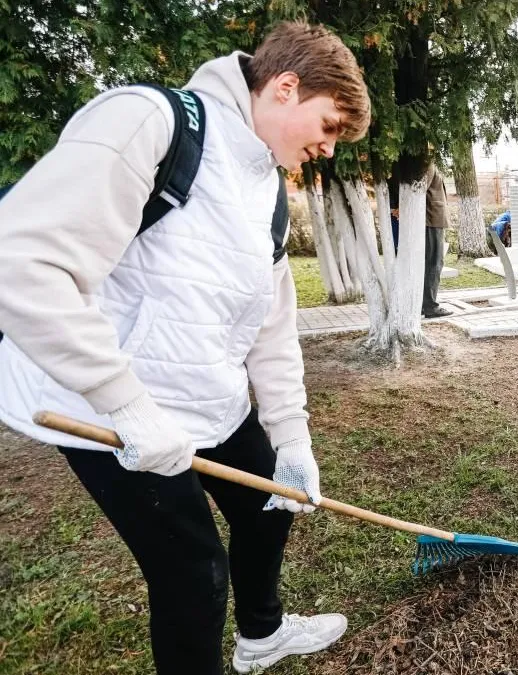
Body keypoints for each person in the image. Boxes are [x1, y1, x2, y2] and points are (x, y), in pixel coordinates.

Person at [0, 21, 371, 674]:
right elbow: (21, 260)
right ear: (286, 88)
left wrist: (291, 439)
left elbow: (272, 329)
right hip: (103, 409)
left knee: (268, 508)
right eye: (331, 124)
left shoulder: (269, 196)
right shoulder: (151, 123)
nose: (329, 147)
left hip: (207, 399)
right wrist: (128, 405)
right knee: (195, 574)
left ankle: (263, 634)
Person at [422, 164, 452, 318]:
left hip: (434, 219)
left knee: (432, 262)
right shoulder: (428, 163)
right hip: (431, 218)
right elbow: (420, 190)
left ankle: (424, 304)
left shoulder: (432, 163)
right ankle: (430, 306)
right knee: (434, 262)